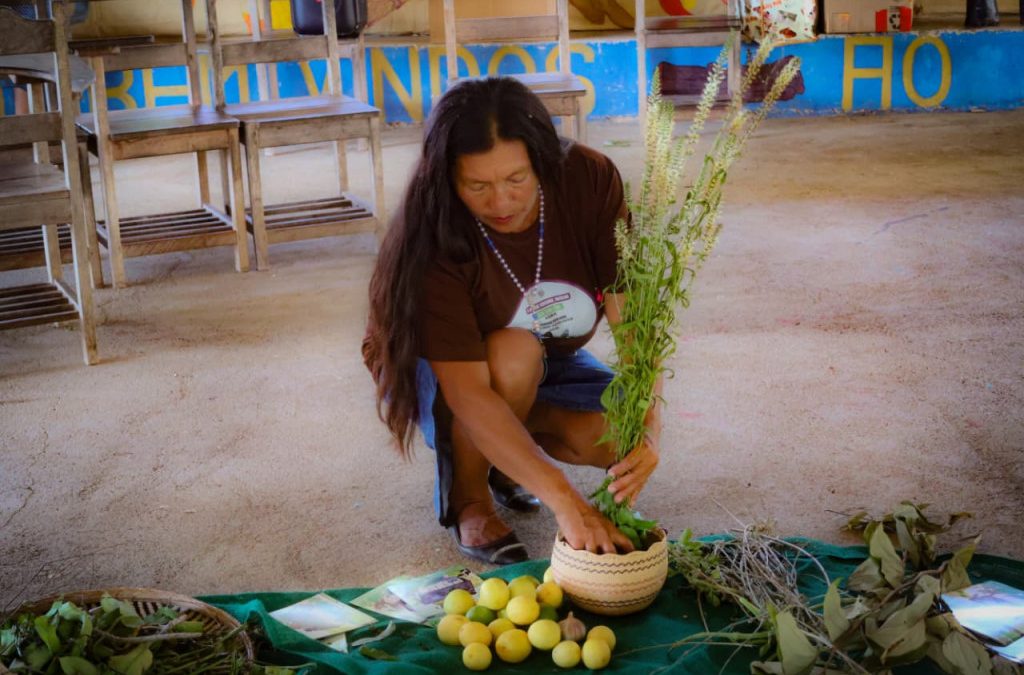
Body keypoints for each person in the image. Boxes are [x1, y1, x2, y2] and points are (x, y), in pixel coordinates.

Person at [363, 77, 661, 565]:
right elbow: (468, 393)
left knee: (621, 440)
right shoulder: (434, 232)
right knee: (513, 353)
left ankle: (509, 451)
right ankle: (470, 499)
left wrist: (649, 427)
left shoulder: (588, 179)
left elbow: (634, 322)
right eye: (477, 186)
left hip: (547, 358)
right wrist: (566, 500)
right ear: (447, 177)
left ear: (542, 160)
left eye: (516, 179)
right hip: (444, 369)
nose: (500, 203)